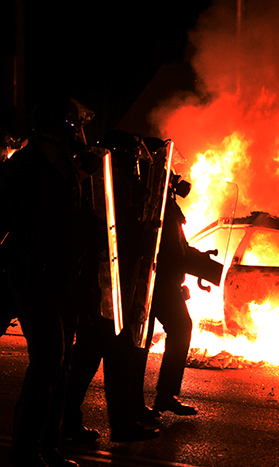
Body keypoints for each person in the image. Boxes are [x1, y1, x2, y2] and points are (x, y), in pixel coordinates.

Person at [1, 95, 93, 467]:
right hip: (32, 272)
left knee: (62, 360)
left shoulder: (65, 164)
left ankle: (48, 444)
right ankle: (26, 450)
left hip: (62, 275)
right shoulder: (25, 166)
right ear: (61, 129)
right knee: (48, 357)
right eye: (73, 126)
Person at [62, 130, 160, 443]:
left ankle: (66, 420)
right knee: (114, 355)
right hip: (104, 286)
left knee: (88, 357)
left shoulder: (115, 183)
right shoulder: (108, 185)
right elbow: (113, 236)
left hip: (107, 287)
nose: (136, 161)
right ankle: (120, 424)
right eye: (132, 156)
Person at [130, 137, 221, 417]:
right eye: (169, 169)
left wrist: (200, 260)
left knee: (178, 329)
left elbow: (175, 246)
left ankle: (163, 396)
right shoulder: (148, 199)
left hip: (165, 282)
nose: (176, 176)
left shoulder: (164, 201)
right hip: (150, 283)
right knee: (139, 341)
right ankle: (136, 404)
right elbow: (164, 249)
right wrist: (194, 263)